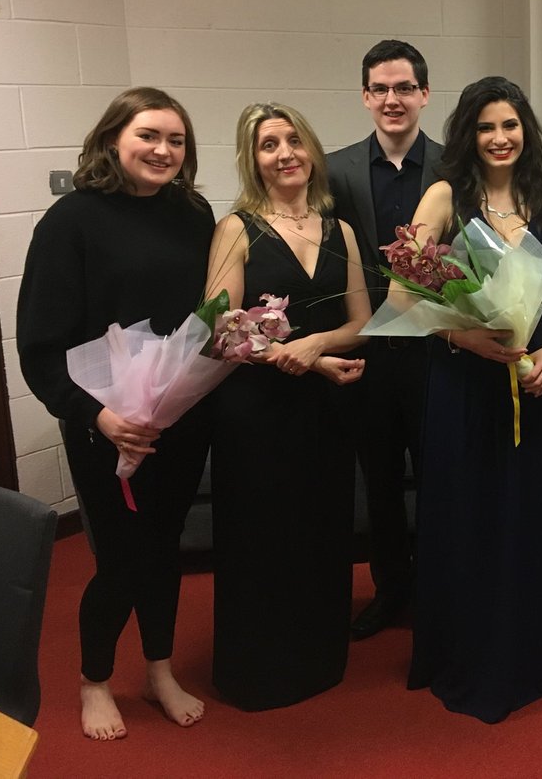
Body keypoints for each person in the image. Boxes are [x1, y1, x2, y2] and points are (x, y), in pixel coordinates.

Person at [16, 87, 215, 740]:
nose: (163, 150)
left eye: (175, 140)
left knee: (164, 550)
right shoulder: (70, 220)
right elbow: (41, 347)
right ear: (112, 140)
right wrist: (99, 417)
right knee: (122, 560)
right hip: (106, 426)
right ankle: (94, 680)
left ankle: (159, 670)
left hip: (179, 417)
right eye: (148, 136)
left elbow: (206, 313)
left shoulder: (194, 213)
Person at [401, 76, 542, 723]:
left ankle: (533, 643)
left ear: (525, 130)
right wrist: (465, 338)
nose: (500, 138)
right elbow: (403, 295)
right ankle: (472, 649)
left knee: (528, 511)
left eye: (509, 125)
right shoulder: (445, 195)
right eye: (485, 127)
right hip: (466, 382)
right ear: (468, 135)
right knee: (473, 512)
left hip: (534, 377)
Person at [206, 103, 370, 711]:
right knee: (262, 537)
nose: (285, 154)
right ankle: (259, 671)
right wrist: (296, 357)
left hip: (324, 413)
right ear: (253, 161)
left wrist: (317, 345)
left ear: (311, 150)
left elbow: (361, 322)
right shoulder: (236, 228)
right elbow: (217, 329)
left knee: (321, 530)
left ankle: (318, 657)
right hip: (256, 412)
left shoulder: (340, 230)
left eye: (293, 140)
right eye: (268, 144)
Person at [328, 39, 444, 640]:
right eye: (380, 89)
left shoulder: (455, 167)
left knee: (440, 478)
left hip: (438, 354)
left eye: (404, 88)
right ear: (365, 96)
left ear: (424, 94)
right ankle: (390, 590)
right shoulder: (334, 169)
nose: (392, 99)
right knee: (377, 482)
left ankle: (440, 591)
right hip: (367, 354)